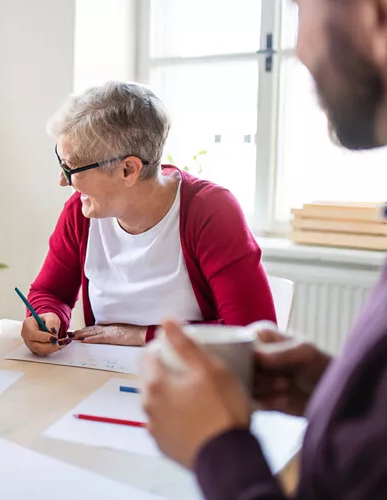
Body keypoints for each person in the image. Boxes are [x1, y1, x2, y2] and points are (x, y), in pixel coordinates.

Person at [140, 0, 387, 497]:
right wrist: (339, 391)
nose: (298, 51)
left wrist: (219, 449)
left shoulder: (208, 206)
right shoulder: (78, 217)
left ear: (375, 13)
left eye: (300, 7)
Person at [21, 81, 276, 355]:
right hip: (105, 377)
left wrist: (143, 336)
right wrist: (47, 316)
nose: (62, 180)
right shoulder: (80, 212)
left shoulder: (210, 211)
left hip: (194, 381)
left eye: (71, 168)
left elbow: (253, 335)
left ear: (128, 170)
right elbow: (49, 292)